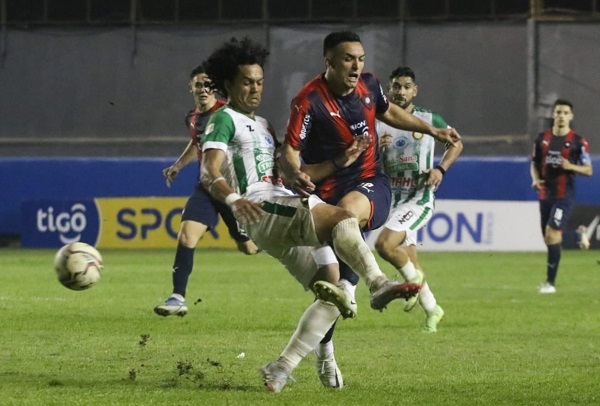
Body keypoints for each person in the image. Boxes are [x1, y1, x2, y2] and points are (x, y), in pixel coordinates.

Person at [200, 36, 420, 393]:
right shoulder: (223, 119)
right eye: (246, 82)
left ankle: (285, 366)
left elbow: (294, 174)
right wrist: (231, 199)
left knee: (337, 288)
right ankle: (380, 284)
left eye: (259, 81)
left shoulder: (266, 126)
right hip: (261, 207)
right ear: (229, 84)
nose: (255, 88)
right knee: (341, 220)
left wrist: (338, 162)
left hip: (279, 206)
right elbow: (210, 171)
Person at [279, 31, 461, 384]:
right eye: (348, 59)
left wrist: (432, 131)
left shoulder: (369, 86)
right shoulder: (308, 101)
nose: (357, 66)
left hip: (370, 186)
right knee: (334, 289)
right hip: (323, 197)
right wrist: (292, 172)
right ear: (328, 61)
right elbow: (290, 151)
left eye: (360, 59)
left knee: (350, 216)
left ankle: (378, 282)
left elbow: (388, 110)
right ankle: (325, 354)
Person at [154, 63, 259, 317]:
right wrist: (179, 165)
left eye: (209, 85)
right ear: (191, 87)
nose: (203, 89)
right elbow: (196, 142)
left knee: (249, 248)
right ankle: (178, 297)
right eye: (199, 84)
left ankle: (284, 244)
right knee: (187, 235)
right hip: (208, 188)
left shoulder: (229, 113)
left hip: (234, 191)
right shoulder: (193, 117)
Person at [374, 66, 463, 332]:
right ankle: (433, 310)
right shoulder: (379, 121)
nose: (400, 91)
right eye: (396, 86)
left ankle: (413, 284)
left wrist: (440, 169)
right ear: (388, 89)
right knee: (410, 260)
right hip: (392, 199)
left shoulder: (428, 118)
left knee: (385, 245)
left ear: (415, 90)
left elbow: (456, 143)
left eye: (406, 86)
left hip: (419, 197)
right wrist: (375, 150)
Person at [531, 98, 593, 294]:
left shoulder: (578, 141)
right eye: (558, 112)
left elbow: (589, 169)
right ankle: (578, 234)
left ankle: (550, 284)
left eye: (565, 113)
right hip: (545, 193)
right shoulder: (542, 139)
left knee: (551, 233)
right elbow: (534, 163)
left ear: (571, 116)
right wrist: (535, 179)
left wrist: (570, 166)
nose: (561, 116)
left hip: (564, 194)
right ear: (553, 114)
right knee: (549, 238)